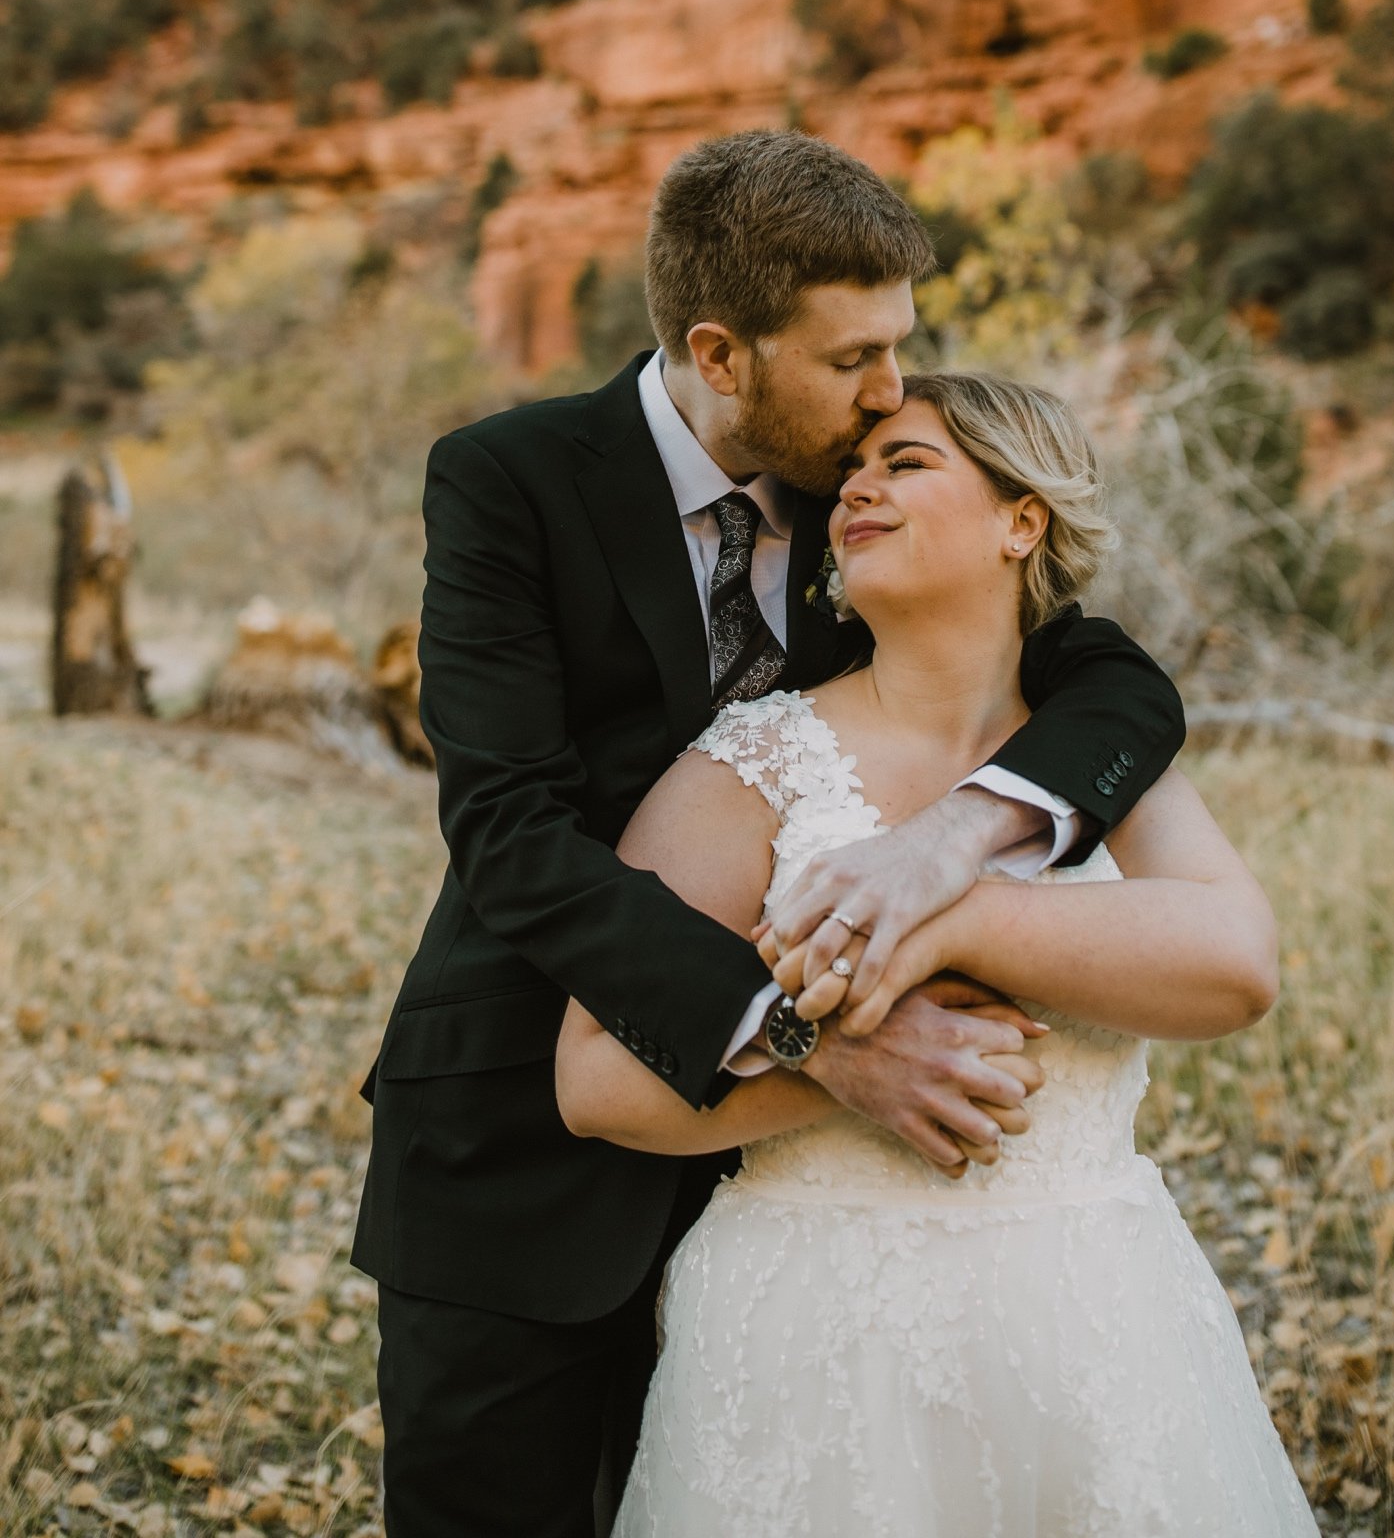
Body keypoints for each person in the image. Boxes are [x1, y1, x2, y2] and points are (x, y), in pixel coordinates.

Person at [353, 131, 1186, 1538]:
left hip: (786, 1209)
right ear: (721, 352)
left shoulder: (869, 493)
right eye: (854, 356)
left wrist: (952, 842)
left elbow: (1113, 678)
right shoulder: (509, 482)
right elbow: (508, 831)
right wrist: (812, 1039)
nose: (891, 391)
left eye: (898, 349)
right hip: (521, 1143)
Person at [558, 370, 1318, 1536]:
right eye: (853, 471)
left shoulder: (1105, 755)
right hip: (813, 1330)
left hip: (1098, 1319)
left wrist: (949, 920)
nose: (858, 484)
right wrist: (843, 1062)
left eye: (907, 463)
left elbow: (1236, 964)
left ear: (1025, 520)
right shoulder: (753, 762)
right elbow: (595, 1075)